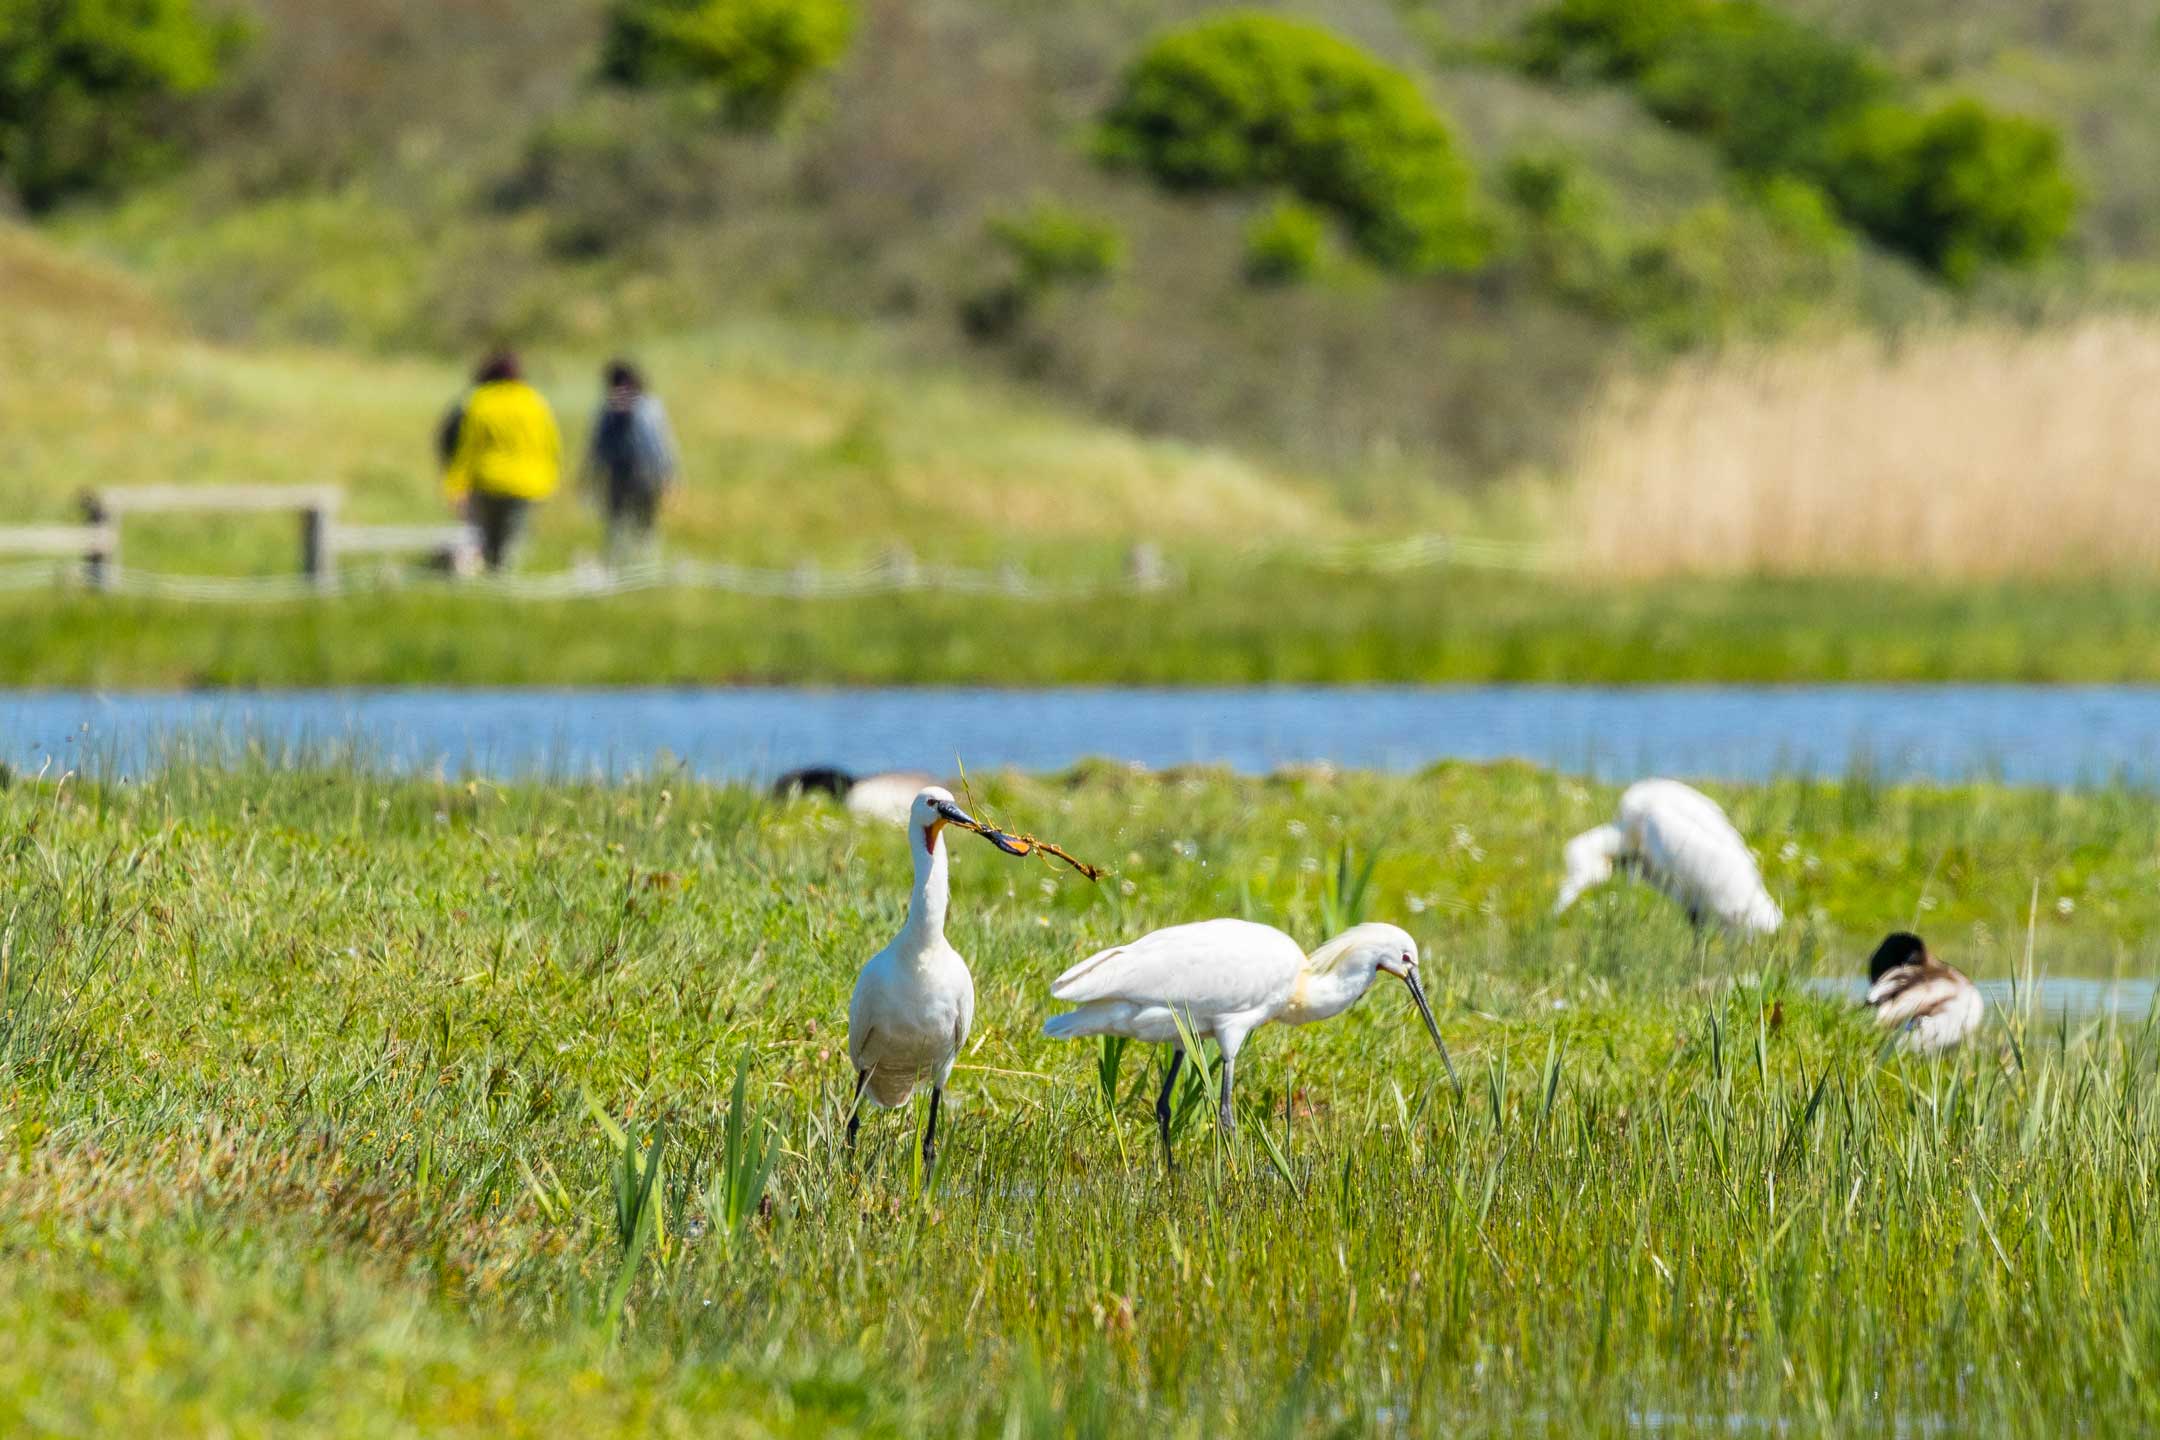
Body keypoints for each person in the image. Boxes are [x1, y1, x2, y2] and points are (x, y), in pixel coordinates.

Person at [441, 350, 561, 571]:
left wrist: (455, 485)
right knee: (510, 542)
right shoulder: (534, 401)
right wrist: (549, 479)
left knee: (487, 538)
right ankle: (503, 578)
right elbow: (550, 445)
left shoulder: (480, 400)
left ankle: (492, 577)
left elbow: (468, 448)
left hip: (487, 481)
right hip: (526, 483)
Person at [582, 359, 678, 565]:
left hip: (624, 475)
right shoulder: (649, 406)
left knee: (621, 524)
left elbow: (596, 447)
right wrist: (670, 477)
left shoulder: (610, 408)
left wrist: (589, 478)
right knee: (640, 525)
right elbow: (664, 445)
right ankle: (642, 565)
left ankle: (623, 565)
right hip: (642, 475)